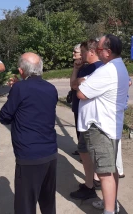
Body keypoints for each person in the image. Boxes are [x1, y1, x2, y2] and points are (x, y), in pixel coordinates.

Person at [0, 52, 58, 214]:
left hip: (29, 155)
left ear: (21, 70)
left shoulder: (19, 88)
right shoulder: (51, 88)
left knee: (25, 205)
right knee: (48, 203)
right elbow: (35, 102)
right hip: (50, 153)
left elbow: (4, 116)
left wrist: (15, 91)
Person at [76, 34, 129, 214]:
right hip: (109, 123)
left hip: (100, 126)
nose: (96, 54)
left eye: (98, 50)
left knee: (105, 172)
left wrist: (84, 83)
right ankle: (111, 204)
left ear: (107, 52)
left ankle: (109, 210)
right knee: (111, 169)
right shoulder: (118, 66)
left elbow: (81, 93)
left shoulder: (107, 71)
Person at [69, 39, 103, 200]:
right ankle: (89, 184)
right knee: (83, 150)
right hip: (83, 115)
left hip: (93, 119)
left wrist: (78, 84)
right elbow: (73, 85)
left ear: (91, 51)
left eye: (82, 52)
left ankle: (96, 183)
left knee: (93, 152)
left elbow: (80, 90)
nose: (80, 56)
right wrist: (76, 71)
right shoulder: (85, 67)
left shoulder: (99, 68)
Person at [70, 44, 82, 156]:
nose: (73, 53)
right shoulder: (77, 65)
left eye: (76, 52)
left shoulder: (84, 66)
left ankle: (84, 151)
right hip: (76, 102)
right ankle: (81, 149)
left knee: (82, 128)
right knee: (78, 127)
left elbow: (73, 85)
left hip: (82, 102)